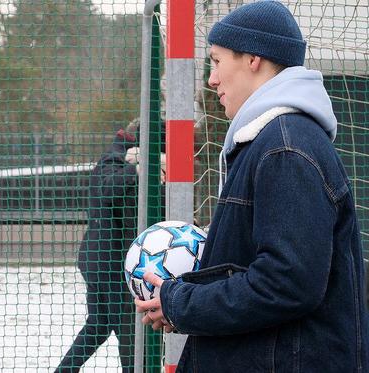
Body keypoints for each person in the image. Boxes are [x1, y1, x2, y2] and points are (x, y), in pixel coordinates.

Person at [135, 1, 369, 372]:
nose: (212, 80)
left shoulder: (285, 148)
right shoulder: (270, 141)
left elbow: (286, 282)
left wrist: (182, 303)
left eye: (215, 60)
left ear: (253, 59)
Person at [55, 119, 141, 372]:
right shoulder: (113, 159)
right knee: (130, 331)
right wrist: (135, 168)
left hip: (102, 262)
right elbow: (106, 188)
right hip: (109, 265)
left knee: (99, 325)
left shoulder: (121, 159)